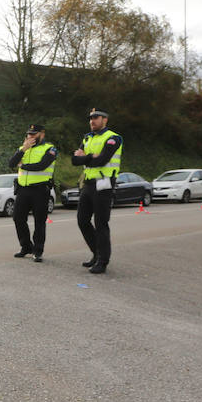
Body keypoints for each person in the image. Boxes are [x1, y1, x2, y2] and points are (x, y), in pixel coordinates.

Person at [71, 106, 123, 275]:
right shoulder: (87, 138)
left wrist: (84, 157)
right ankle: (96, 253)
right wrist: (89, 157)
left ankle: (103, 260)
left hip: (104, 184)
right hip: (88, 184)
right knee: (82, 220)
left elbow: (102, 160)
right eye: (91, 118)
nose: (92, 121)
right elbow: (74, 160)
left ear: (105, 120)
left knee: (101, 223)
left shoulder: (113, 138)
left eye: (96, 118)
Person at [7, 122, 57, 262]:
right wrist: (23, 149)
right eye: (29, 134)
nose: (30, 137)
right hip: (23, 189)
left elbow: (41, 166)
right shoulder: (24, 148)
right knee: (18, 218)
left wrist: (23, 165)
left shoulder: (50, 149)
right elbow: (11, 164)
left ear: (42, 134)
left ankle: (38, 251)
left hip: (40, 190)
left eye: (34, 134)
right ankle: (26, 247)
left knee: (39, 221)